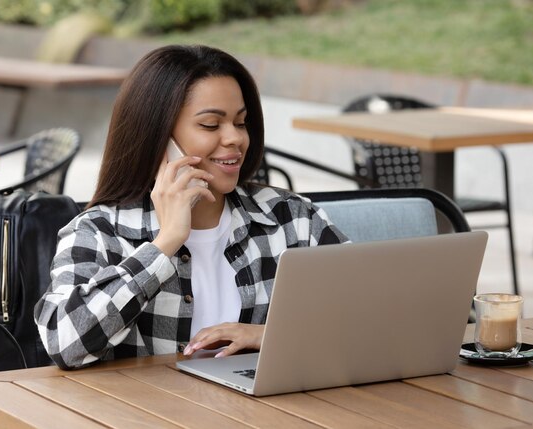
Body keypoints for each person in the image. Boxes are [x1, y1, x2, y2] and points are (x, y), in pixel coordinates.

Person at [34, 44, 348, 369]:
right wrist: (165, 242)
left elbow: (368, 316)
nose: (235, 139)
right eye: (211, 125)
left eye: (240, 123)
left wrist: (266, 335)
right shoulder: (99, 231)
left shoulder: (292, 219)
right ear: (158, 137)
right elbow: (64, 343)